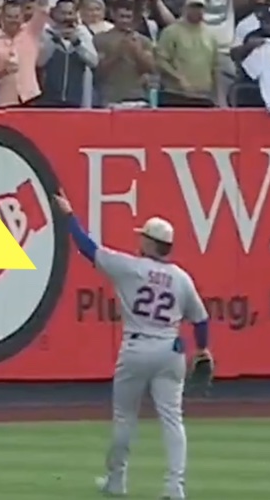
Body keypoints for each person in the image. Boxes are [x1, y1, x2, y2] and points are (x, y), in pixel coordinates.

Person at [51, 191, 209, 500]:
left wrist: (69, 215)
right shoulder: (181, 278)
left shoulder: (129, 267)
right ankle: (175, 488)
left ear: (151, 243)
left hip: (136, 350)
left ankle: (117, 480)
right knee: (172, 420)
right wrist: (203, 350)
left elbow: (87, 247)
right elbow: (201, 320)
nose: (140, 241)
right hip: (169, 352)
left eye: (143, 237)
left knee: (125, 417)